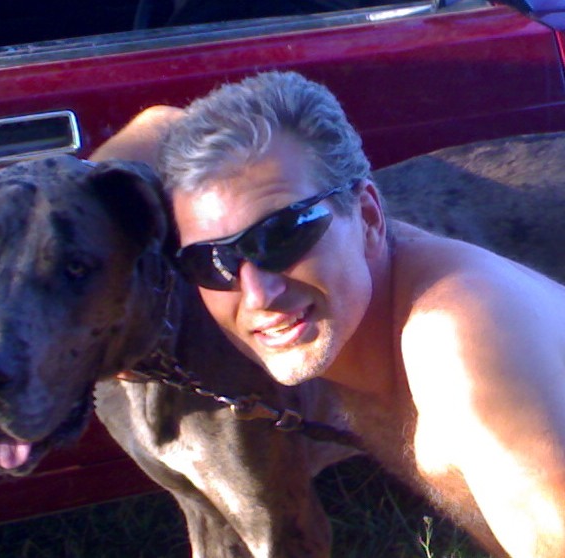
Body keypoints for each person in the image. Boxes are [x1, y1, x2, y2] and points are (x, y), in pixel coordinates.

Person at [91, 71, 565, 558]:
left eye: (284, 235)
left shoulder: (459, 348)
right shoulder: (366, 317)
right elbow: (158, 122)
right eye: (212, 261)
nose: (258, 294)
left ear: (368, 216)